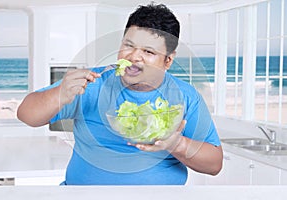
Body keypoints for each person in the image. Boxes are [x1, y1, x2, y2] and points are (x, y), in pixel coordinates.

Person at [17, 3, 223, 185]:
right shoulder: (91, 82)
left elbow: (214, 164)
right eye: (128, 45)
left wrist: (177, 144)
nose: (134, 57)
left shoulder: (185, 96)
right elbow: (26, 115)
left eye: (148, 52)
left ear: (168, 60)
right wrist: (59, 93)